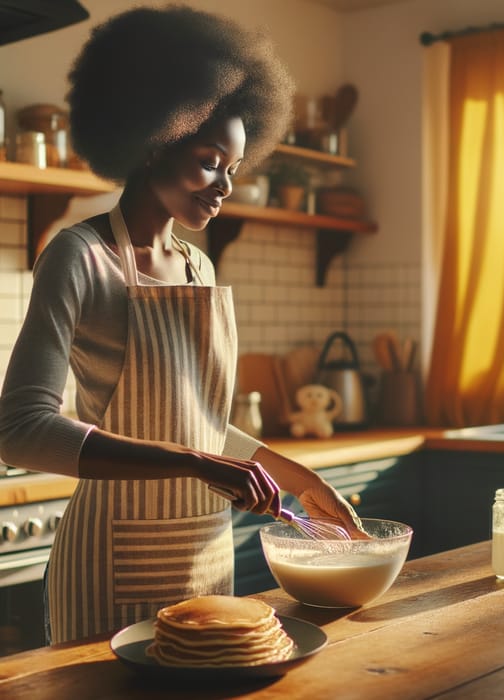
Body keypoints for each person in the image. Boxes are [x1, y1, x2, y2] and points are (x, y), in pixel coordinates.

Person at [0, 5, 364, 645]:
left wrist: (300, 480)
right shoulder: (77, 255)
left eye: (233, 168)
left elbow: (193, 423)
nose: (225, 185)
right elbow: (21, 431)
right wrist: (197, 463)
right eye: (208, 161)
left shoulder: (197, 265)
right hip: (107, 563)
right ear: (151, 141)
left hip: (203, 560)